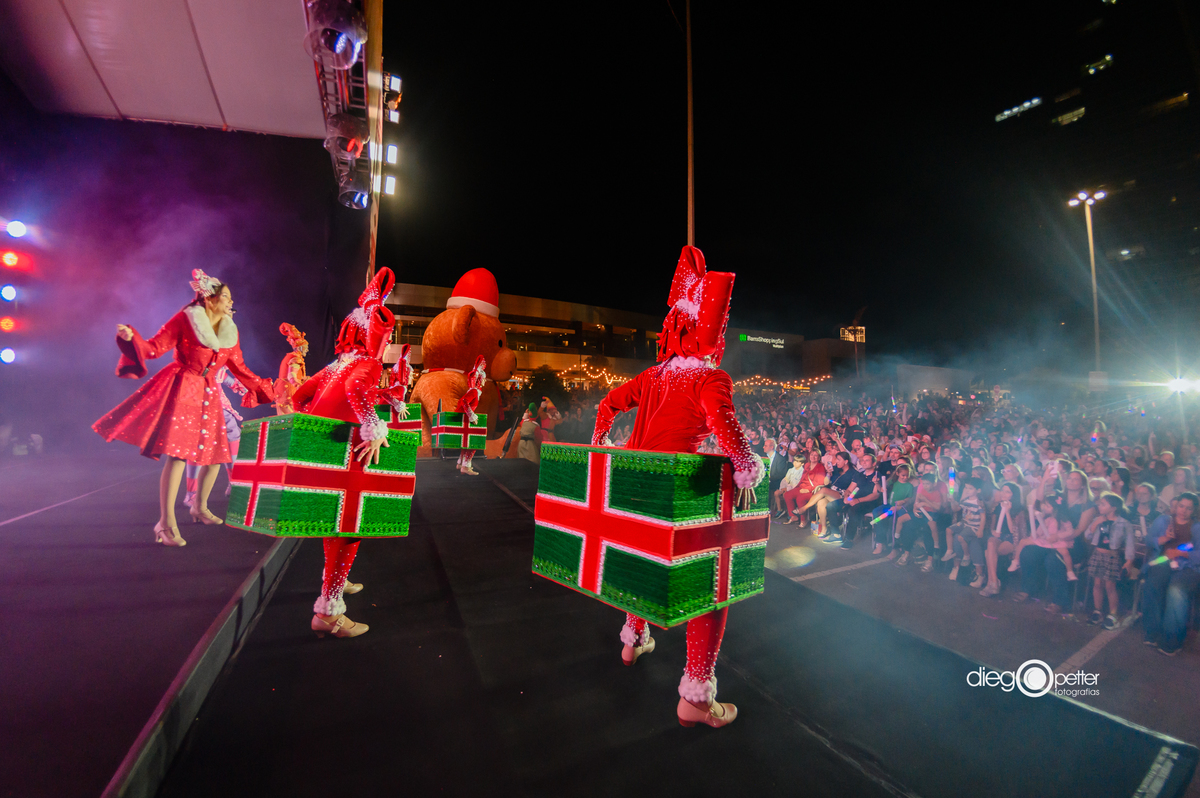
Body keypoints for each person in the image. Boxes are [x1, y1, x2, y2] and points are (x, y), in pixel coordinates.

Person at [590, 246, 763, 729]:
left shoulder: (651, 376)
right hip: (678, 495)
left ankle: (632, 639)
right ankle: (696, 698)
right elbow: (722, 424)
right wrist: (747, 467)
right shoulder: (711, 377)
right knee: (710, 587)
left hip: (634, 489)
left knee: (639, 561)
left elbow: (606, 406)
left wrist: (602, 444)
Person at [93, 270, 275, 546]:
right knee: (178, 455)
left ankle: (199, 507)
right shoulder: (186, 319)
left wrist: (265, 388)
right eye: (226, 297)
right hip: (184, 389)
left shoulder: (229, 331)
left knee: (215, 455)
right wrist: (131, 338)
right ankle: (165, 523)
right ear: (209, 298)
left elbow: (239, 367)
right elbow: (154, 348)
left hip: (209, 392)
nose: (231, 302)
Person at [290, 268, 408, 639]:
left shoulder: (335, 365)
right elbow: (357, 389)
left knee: (334, 525)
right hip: (350, 456)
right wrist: (373, 427)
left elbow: (299, 398)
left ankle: (336, 584)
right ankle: (329, 613)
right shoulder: (367, 363)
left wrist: (318, 429)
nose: (388, 341)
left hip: (326, 455)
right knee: (349, 529)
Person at [1141, 493, 1200, 655]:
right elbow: (1148, 540)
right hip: (1163, 561)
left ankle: (1172, 640)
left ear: (1194, 510)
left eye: (1189, 508)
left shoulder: (1197, 528)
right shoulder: (1163, 520)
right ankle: (1152, 632)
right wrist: (1164, 538)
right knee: (1154, 583)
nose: (1183, 511)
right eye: (1181, 506)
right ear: (1176, 505)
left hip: (1188, 567)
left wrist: (1181, 553)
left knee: (1176, 590)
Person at [182, 365, 247, 507]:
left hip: (218, 402)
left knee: (232, 436)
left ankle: (234, 482)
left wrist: (233, 383)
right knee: (198, 444)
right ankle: (192, 493)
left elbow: (218, 370)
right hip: (197, 400)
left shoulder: (217, 357)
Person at [1084, 493, 1137, 629]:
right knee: (1097, 584)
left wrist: (1129, 561)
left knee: (1110, 586)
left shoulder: (1124, 524)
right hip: (1097, 554)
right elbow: (1087, 535)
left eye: (1103, 504)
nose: (1099, 506)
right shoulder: (1098, 519)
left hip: (1112, 556)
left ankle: (1113, 614)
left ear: (1113, 508)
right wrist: (1095, 523)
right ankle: (1097, 611)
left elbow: (1130, 544)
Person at [979, 482, 1027, 597]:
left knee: (989, 552)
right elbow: (992, 526)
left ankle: (992, 583)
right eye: (1002, 490)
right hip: (999, 536)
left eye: (1007, 492)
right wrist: (993, 531)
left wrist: (1007, 512)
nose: (1003, 494)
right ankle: (994, 582)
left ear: (1013, 495)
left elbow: (1013, 530)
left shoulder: (1019, 509)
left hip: (1013, 539)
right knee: (990, 542)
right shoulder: (997, 507)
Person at [455, 355, 487, 475]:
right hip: (463, 421)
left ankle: (461, 463)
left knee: (467, 441)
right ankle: (466, 465)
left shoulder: (473, 391)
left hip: (462, 420)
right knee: (475, 440)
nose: (484, 381)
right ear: (480, 379)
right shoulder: (473, 391)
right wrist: (472, 416)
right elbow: (464, 402)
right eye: (484, 379)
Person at [783, 448, 825, 525]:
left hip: (813, 490)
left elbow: (820, 483)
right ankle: (793, 516)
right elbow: (803, 478)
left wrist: (808, 489)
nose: (813, 457)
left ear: (819, 458)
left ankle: (803, 520)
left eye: (816, 455)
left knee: (800, 498)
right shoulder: (807, 465)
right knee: (787, 495)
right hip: (802, 486)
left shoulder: (821, 467)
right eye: (812, 455)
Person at [273, 323, 309, 414]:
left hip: (282, 391)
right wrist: (298, 385)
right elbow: (291, 375)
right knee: (293, 416)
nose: (307, 350)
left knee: (284, 418)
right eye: (305, 347)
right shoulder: (296, 358)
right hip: (289, 391)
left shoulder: (290, 356)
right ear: (300, 347)